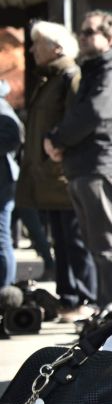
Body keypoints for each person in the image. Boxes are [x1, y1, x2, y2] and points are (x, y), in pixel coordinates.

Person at [44, 11, 112, 311]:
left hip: (102, 166)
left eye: (89, 32)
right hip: (86, 166)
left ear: (110, 38)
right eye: (81, 32)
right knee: (98, 246)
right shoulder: (96, 70)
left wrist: (57, 139)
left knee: (108, 246)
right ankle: (108, 311)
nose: (81, 37)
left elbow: (93, 114)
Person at [17, 21, 96, 319]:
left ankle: (83, 299)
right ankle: (69, 297)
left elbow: (76, 125)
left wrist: (55, 157)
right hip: (48, 178)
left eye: (38, 43)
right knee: (61, 241)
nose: (32, 49)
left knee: (75, 241)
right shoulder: (48, 80)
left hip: (63, 177)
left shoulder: (70, 78)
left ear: (58, 48)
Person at [0, 80, 20, 287]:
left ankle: (5, 291)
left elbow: (13, 138)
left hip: (2, 183)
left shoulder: (3, 109)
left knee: (1, 237)